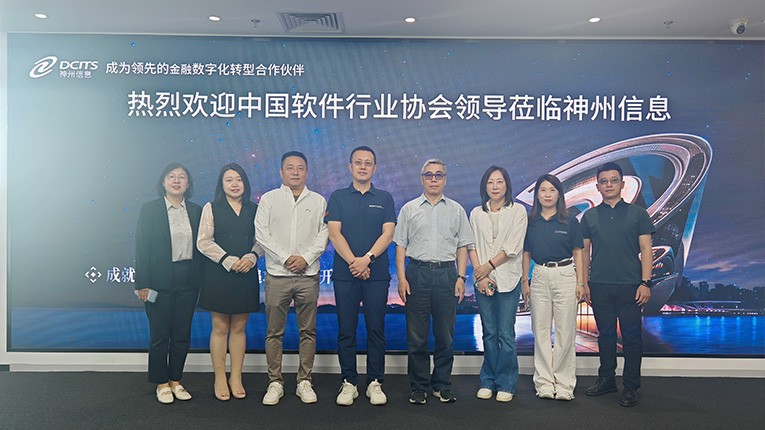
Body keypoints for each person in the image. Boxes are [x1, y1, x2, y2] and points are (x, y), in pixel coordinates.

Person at [394, 159, 474, 405]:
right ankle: (419, 386)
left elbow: (463, 246)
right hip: (416, 273)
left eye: (438, 175)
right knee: (416, 335)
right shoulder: (409, 209)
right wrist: (401, 278)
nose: (433, 179)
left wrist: (461, 277)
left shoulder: (456, 210)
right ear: (422, 179)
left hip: (446, 274)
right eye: (429, 175)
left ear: (445, 180)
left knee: (445, 335)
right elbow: (400, 246)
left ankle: (442, 385)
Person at [255, 151, 329, 405]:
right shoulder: (269, 199)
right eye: (290, 167)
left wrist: (305, 258)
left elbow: (324, 234)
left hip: (308, 275)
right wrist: (286, 258)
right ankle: (275, 382)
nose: (295, 172)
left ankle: (304, 381)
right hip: (277, 275)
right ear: (281, 172)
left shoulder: (318, 200)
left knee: (308, 331)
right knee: (274, 332)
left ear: (307, 172)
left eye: (300, 168)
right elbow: (261, 234)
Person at [325, 146, 396, 406]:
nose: (363, 167)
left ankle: (375, 382)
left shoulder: (385, 198)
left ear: (375, 168)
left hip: (376, 273)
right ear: (350, 167)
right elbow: (334, 233)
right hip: (346, 274)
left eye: (368, 163)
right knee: (347, 329)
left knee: (376, 328)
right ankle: (349, 382)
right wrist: (354, 263)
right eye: (358, 162)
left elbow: (388, 234)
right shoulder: (338, 197)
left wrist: (366, 260)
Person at [581, 162, 655, 407]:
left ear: (623, 184)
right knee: (605, 336)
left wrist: (646, 283)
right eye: (604, 181)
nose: (609, 185)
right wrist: (584, 282)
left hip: (631, 286)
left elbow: (646, 249)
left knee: (632, 337)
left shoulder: (638, 214)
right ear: (597, 187)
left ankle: (631, 386)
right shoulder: (589, 216)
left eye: (614, 180)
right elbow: (584, 252)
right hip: (599, 285)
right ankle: (606, 380)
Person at [135, 162, 204, 404]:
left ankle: (175, 379)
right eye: (171, 176)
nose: (176, 181)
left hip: (189, 278)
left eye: (182, 177)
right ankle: (161, 382)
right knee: (160, 334)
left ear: (188, 183)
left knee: (182, 333)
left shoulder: (196, 211)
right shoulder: (150, 210)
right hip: (158, 280)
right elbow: (142, 247)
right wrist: (142, 283)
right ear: (163, 182)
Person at [197, 162, 262, 401]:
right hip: (219, 273)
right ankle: (219, 377)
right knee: (220, 327)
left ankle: (236, 377)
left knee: (239, 328)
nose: (235, 184)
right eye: (229, 180)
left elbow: (262, 240)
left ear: (245, 183)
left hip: (246, 271)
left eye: (239, 179)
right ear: (221, 184)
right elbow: (204, 241)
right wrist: (227, 259)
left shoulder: (255, 209)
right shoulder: (211, 207)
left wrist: (252, 257)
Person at [521, 174, 584, 401]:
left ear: (559, 194)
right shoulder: (530, 222)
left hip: (565, 274)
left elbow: (578, 252)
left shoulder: (570, 221)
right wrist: (525, 282)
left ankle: (564, 384)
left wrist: (581, 282)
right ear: (537, 195)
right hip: (539, 275)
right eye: (543, 190)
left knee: (566, 332)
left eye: (552, 190)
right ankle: (545, 383)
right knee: (540, 331)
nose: (547, 195)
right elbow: (526, 254)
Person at [468, 166, 527, 403]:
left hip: (509, 279)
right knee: (489, 333)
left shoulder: (518, 211)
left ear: (507, 185)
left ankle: (506, 383)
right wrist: (480, 275)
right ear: (485, 186)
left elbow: (513, 247)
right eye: (490, 182)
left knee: (506, 334)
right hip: (483, 281)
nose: (495, 186)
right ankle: (488, 380)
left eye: (499, 182)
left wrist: (488, 266)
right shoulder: (476, 213)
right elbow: (471, 245)